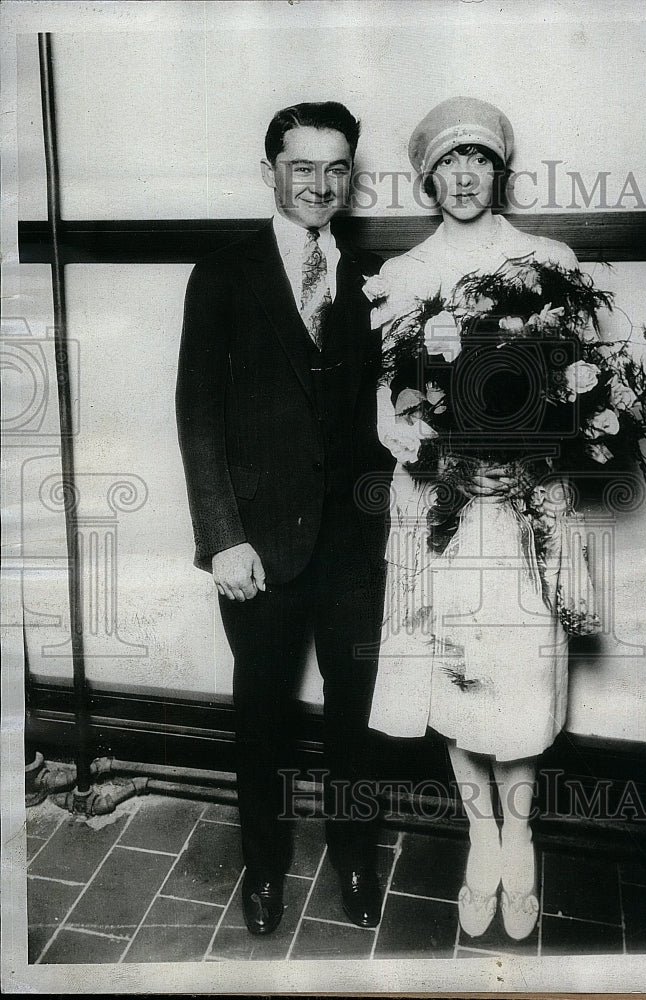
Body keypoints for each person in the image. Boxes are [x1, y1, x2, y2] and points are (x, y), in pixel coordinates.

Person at [368, 96, 583, 942]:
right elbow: (389, 415)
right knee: (453, 664)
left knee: (520, 669)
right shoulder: (401, 278)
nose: (464, 176)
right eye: (449, 162)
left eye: (480, 160)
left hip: (522, 507)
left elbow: (585, 391)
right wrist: (444, 456)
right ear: (428, 176)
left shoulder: (546, 262)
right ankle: (480, 833)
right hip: (444, 509)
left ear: (500, 169)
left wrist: (524, 460)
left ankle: (520, 832)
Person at [176, 102, 392, 936]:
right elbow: (197, 414)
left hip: (353, 542)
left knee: (354, 711)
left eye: (337, 167)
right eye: (302, 167)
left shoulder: (375, 276)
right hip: (257, 543)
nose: (321, 184)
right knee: (260, 714)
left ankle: (355, 856)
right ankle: (262, 869)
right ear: (269, 169)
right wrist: (220, 536)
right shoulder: (223, 272)